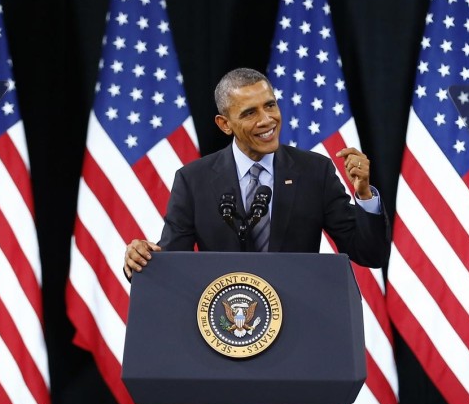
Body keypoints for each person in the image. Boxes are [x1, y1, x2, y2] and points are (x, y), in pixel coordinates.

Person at [123, 67, 390, 279]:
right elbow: (171, 265)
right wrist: (139, 258)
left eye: (270, 105)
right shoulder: (194, 180)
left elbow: (369, 254)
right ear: (225, 124)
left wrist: (364, 194)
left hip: (299, 323)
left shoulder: (314, 172)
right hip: (226, 328)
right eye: (250, 113)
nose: (266, 120)